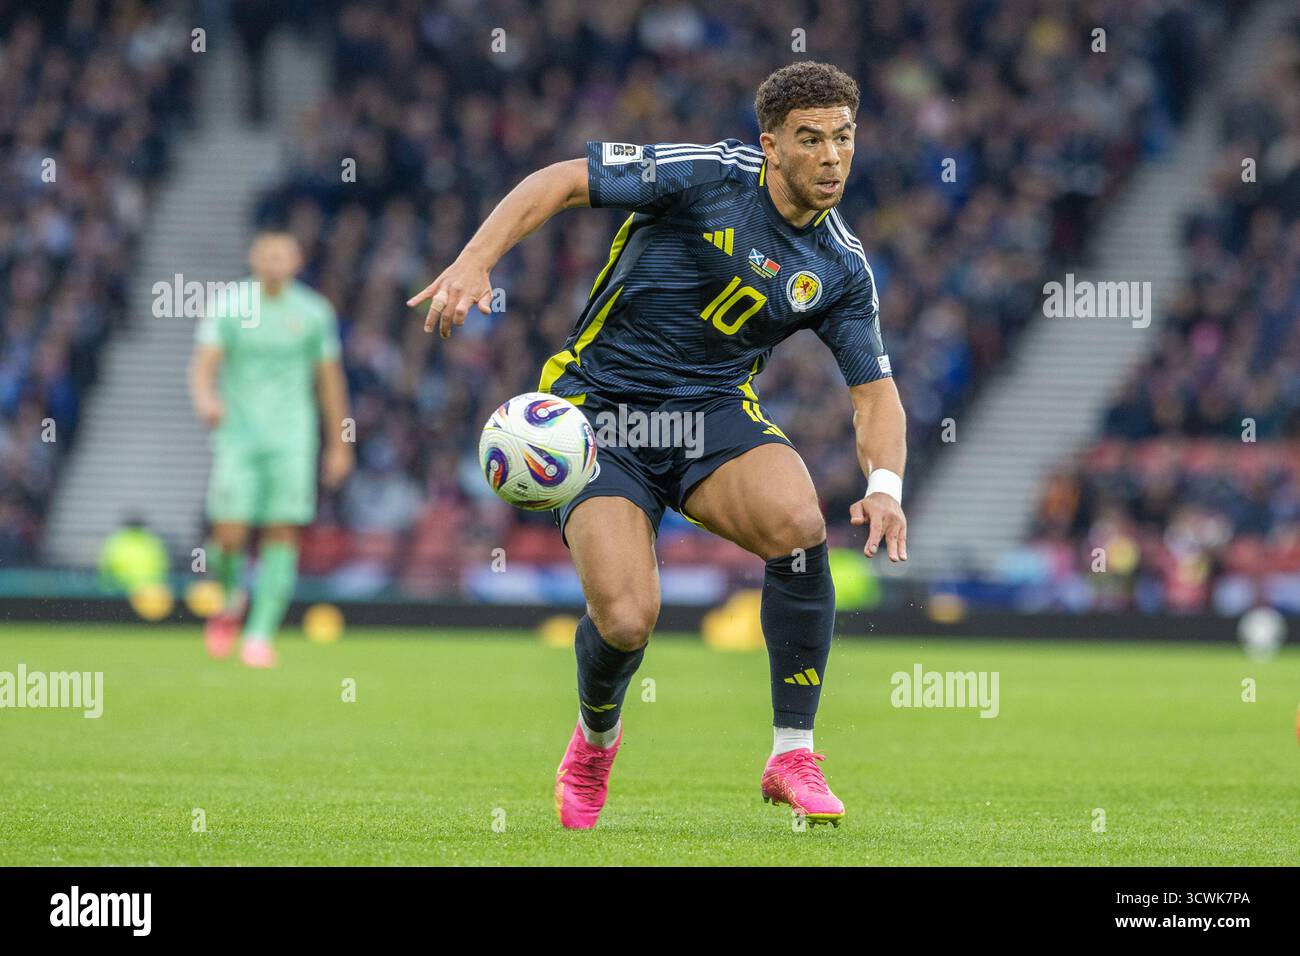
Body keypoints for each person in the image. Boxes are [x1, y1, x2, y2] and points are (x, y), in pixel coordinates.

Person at [409, 62, 908, 828]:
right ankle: (595, 740)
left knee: (801, 525)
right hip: (599, 415)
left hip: (710, 415)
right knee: (628, 618)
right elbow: (562, 180)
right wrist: (477, 259)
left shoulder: (840, 269)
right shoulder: (707, 174)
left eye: (843, 137)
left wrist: (886, 487)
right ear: (771, 146)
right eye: (811, 140)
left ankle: (793, 753)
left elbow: (874, 394)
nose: (832, 157)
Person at [189, 232, 354, 668]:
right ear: (255, 259)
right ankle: (230, 599)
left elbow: (330, 382)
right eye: (268, 255)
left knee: (282, 529)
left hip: (292, 437)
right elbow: (204, 362)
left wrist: (340, 443)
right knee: (229, 531)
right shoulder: (231, 303)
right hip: (237, 436)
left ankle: (260, 634)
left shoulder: (314, 312)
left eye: (284, 255)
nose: (276, 262)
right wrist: (205, 396)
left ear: (297, 260)